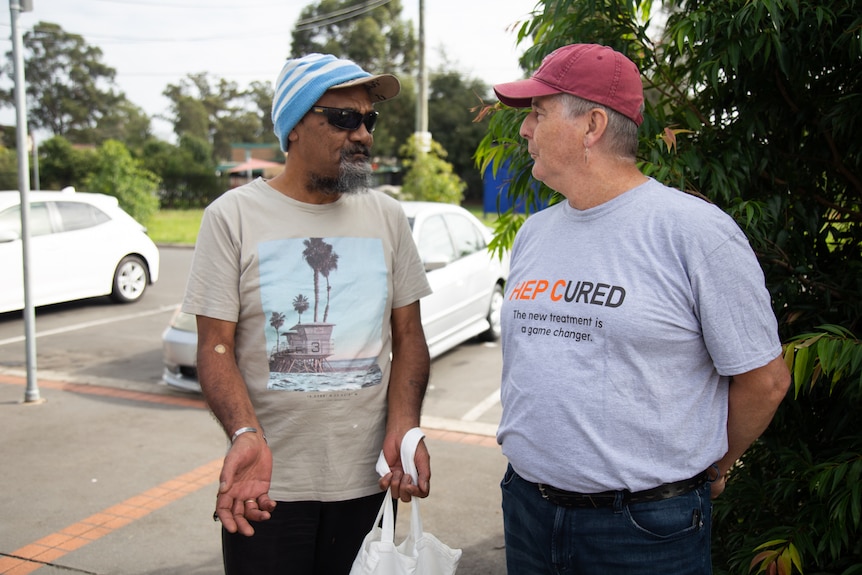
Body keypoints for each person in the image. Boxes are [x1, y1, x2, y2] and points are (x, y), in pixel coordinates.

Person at [492, 43, 791, 574]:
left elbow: (764, 380)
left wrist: (715, 466)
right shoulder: (535, 234)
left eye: (538, 114)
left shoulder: (694, 233)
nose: (524, 130)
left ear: (592, 125)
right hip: (527, 510)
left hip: (645, 530)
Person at [182, 53, 433, 575]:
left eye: (369, 119)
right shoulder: (231, 217)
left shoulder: (387, 217)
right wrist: (243, 434)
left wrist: (405, 427)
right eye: (343, 118)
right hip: (267, 487)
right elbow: (215, 347)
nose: (362, 133)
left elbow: (408, 336)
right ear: (294, 127)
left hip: (369, 481)